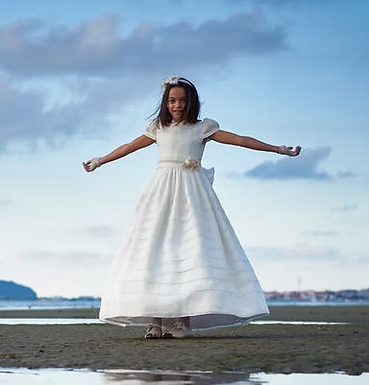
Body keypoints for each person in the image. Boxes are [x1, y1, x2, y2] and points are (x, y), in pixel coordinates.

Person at [83, 75, 301, 339]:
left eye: (182, 101)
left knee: (189, 249)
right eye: (172, 100)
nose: (177, 105)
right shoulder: (157, 128)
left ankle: (182, 321)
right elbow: (128, 147)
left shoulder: (203, 128)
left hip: (193, 194)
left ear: (191, 103)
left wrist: (279, 149)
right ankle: (156, 321)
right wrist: (100, 160)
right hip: (161, 193)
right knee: (156, 249)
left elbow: (240, 140)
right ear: (165, 103)